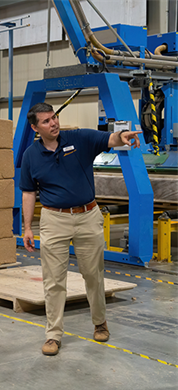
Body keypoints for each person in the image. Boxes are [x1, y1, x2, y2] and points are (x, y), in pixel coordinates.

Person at [20, 102, 141, 356]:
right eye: (46, 121)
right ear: (35, 128)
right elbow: (29, 192)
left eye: (54, 117)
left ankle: (100, 322)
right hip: (54, 219)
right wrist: (27, 227)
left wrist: (122, 136)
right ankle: (53, 335)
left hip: (87, 216)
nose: (53, 123)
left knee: (93, 274)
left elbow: (108, 139)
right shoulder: (31, 155)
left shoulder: (79, 139)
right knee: (53, 279)